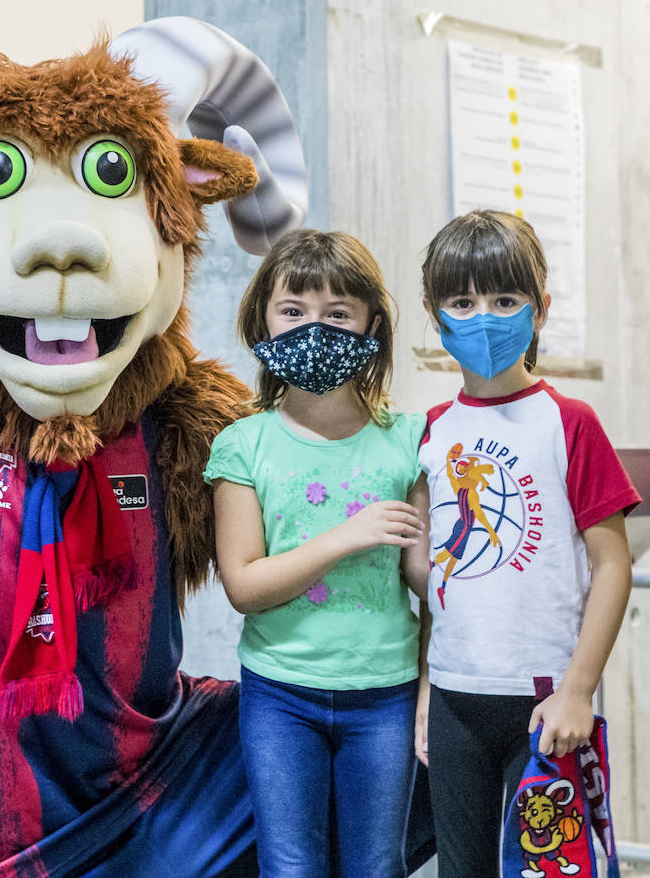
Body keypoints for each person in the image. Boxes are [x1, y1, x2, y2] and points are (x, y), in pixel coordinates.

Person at [412, 210, 639, 876]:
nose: (483, 318)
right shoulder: (429, 431)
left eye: (505, 300)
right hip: (453, 698)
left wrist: (577, 690)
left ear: (540, 309)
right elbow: (435, 582)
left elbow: (613, 566)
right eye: (462, 303)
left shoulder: (570, 423)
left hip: (545, 702)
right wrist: (427, 687)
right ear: (434, 315)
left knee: (550, 867)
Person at [205, 228, 430, 877]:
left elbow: (431, 583)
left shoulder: (412, 440)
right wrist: (345, 536)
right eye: (293, 310)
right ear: (263, 321)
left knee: (377, 867)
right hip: (280, 696)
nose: (313, 329)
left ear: (371, 326)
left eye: (337, 314)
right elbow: (244, 585)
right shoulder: (243, 444)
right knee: (289, 867)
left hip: (386, 695)